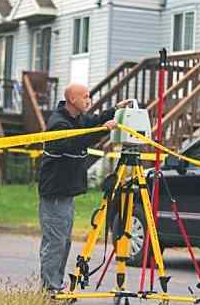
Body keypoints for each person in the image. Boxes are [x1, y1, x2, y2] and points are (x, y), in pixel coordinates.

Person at [38, 83, 131, 293]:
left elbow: (94, 121)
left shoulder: (77, 118)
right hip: (54, 194)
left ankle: (56, 286)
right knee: (55, 243)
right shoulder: (59, 125)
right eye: (85, 96)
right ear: (72, 99)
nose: (88, 99)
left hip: (67, 193)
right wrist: (102, 131)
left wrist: (115, 109)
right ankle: (50, 290)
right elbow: (75, 141)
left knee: (64, 243)